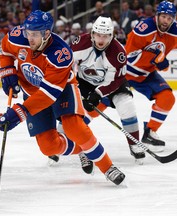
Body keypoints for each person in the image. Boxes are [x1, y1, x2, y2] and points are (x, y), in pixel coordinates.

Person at [0, 10, 125, 185]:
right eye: (28, 33)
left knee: (74, 127)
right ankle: (82, 149)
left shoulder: (60, 53)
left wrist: (20, 112)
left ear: (46, 33)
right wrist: (7, 71)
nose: (29, 38)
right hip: (33, 93)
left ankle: (107, 167)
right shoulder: (18, 36)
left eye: (34, 35)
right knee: (48, 147)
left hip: (61, 89)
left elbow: (49, 95)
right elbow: (4, 51)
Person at [52, 16, 145, 165]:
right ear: (92, 34)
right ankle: (59, 144)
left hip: (113, 83)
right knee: (71, 113)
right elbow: (65, 64)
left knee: (126, 105)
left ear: (111, 36)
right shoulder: (81, 43)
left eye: (106, 36)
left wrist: (98, 94)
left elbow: (114, 80)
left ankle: (134, 144)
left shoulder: (118, 52)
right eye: (98, 35)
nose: (101, 39)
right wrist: (69, 85)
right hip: (84, 82)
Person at [125, 1, 177, 152]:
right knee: (100, 104)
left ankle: (149, 133)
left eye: (169, 18)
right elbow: (129, 56)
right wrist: (156, 59)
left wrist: (157, 60)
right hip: (126, 72)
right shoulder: (144, 29)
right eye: (163, 17)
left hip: (147, 75)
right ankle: (73, 132)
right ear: (157, 15)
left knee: (167, 98)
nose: (166, 21)